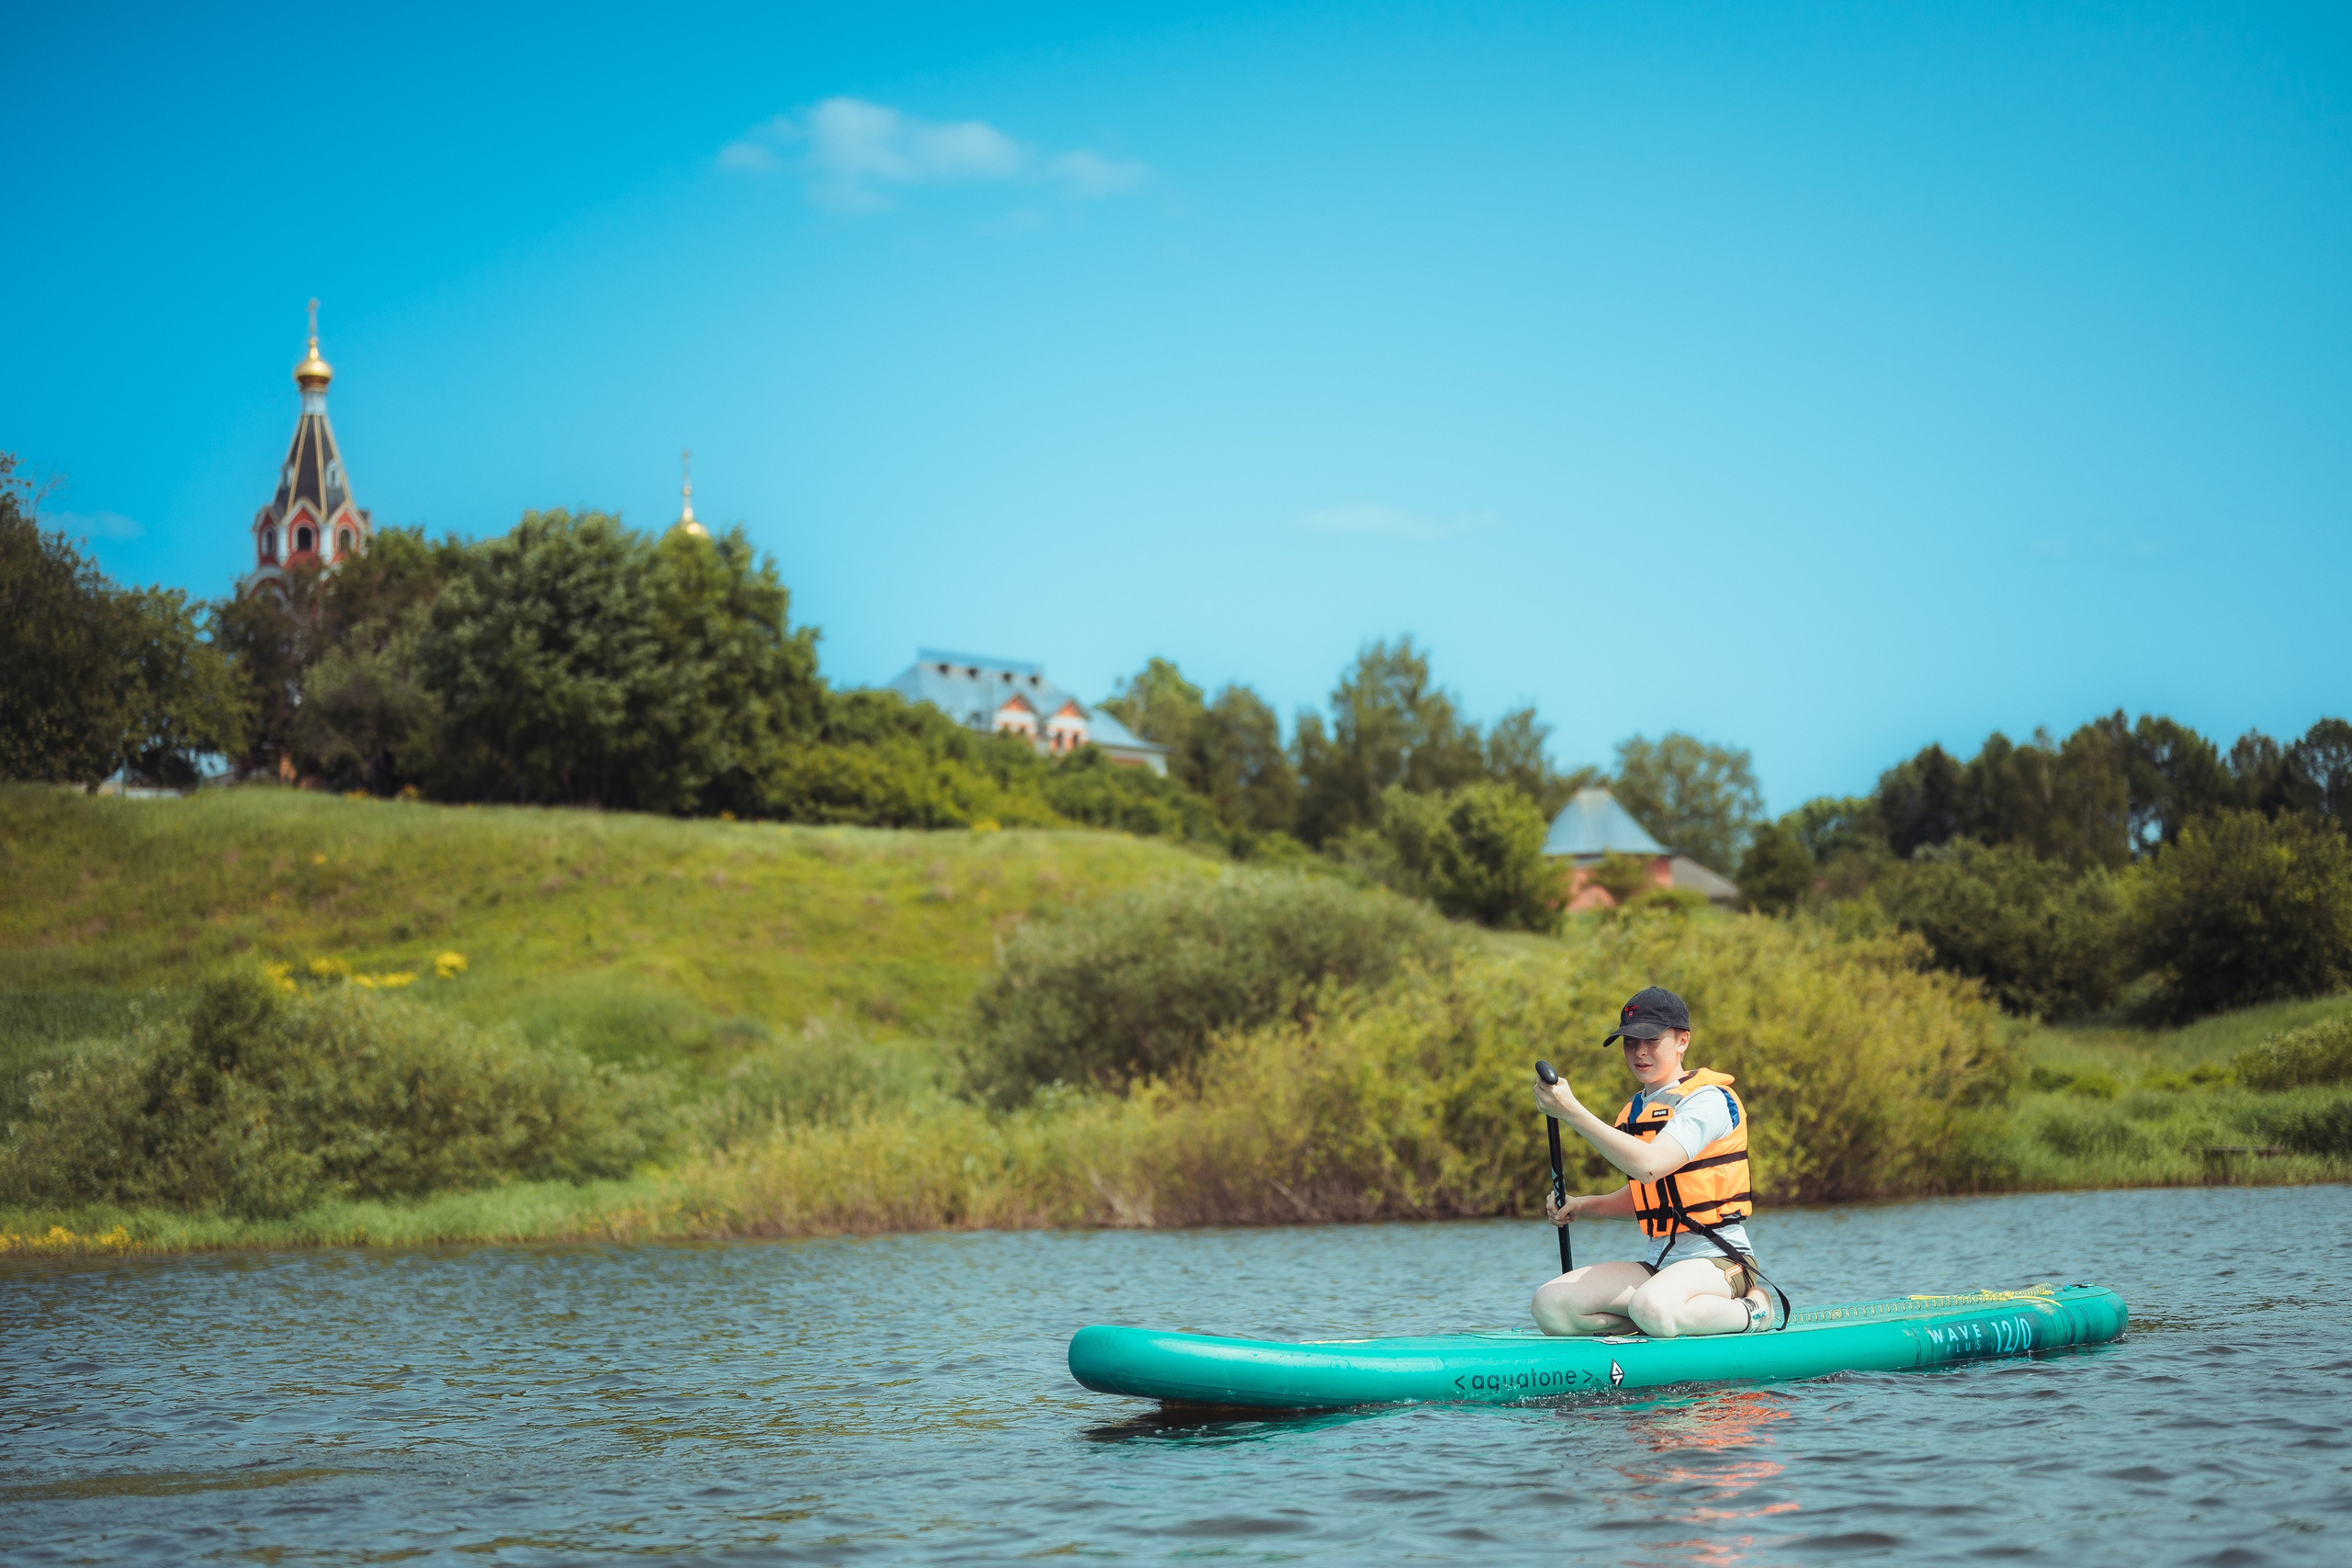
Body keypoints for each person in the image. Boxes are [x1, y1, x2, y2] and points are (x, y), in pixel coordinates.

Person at [1529, 986, 1781, 1338]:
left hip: (1721, 1259)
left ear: (1682, 1041)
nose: (1640, 1051)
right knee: (1550, 1304)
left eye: (1651, 1039)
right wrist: (1583, 1206)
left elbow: (1650, 1165)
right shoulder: (1635, 1110)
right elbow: (1650, 1194)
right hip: (1659, 1265)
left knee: (1652, 1305)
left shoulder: (1707, 1100)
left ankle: (1754, 1310)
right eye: (1630, 1041)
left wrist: (1571, 1111)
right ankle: (1657, 1323)